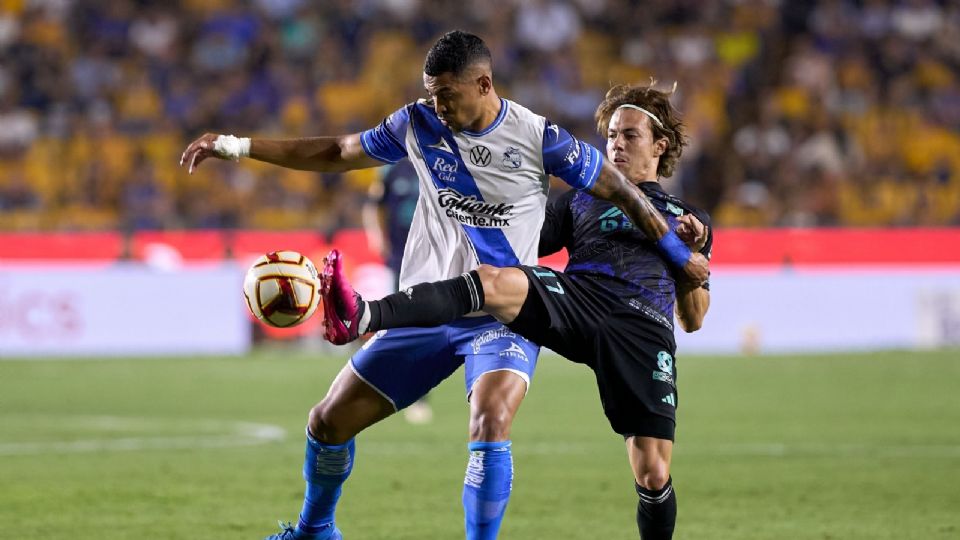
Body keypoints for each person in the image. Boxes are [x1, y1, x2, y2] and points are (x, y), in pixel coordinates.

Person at [180, 30, 708, 540]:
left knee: (490, 420)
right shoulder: (416, 123)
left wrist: (680, 254)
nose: (437, 105)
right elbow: (340, 152)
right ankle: (315, 530)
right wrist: (234, 145)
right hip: (430, 303)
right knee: (327, 422)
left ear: (483, 85)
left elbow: (621, 189)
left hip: (505, 312)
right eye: (431, 94)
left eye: (446, 95)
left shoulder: (537, 136)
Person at [320, 82, 710, 540]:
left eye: (630, 136)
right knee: (493, 281)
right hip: (579, 299)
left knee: (653, 472)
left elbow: (694, 318)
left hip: (642, 326)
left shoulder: (685, 216)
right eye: (612, 136)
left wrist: (690, 261)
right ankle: (367, 314)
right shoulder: (582, 199)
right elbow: (518, 240)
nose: (616, 144)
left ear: (659, 146)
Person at [361, 159, 433, 424]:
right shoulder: (392, 168)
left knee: (427, 326)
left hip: (433, 258)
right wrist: (375, 235)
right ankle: (395, 390)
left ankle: (420, 395)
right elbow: (371, 205)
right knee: (401, 326)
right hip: (401, 259)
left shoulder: (438, 161)